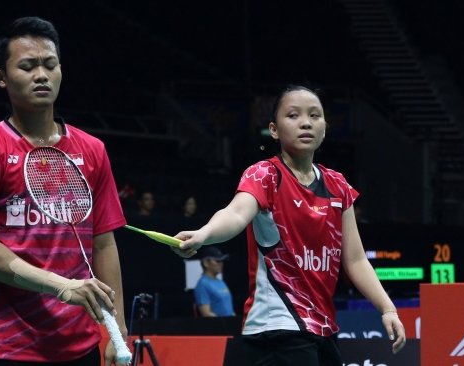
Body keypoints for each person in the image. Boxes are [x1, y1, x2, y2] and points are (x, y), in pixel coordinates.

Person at [173, 85, 406, 365]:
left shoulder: (338, 185)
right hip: (278, 326)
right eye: (293, 115)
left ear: (324, 127)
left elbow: (355, 259)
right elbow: (235, 214)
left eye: (315, 115)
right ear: (274, 129)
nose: (306, 122)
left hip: (323, 327)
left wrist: (387, 309)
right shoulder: (265, 175)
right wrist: (204, 235)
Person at [0, 17, 128, 365]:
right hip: (8, 347)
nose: (42, 75)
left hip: (80, 344)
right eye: (27, 66)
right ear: (1, 77)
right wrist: (61, 285)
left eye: (50, 64)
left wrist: (117, 330)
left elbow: (104, 242)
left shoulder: (92, 150)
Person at [193, 246, 235, 317]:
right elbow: (206, 314)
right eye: (217, 260)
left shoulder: (221, 282)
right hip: (220, 327)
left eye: (222, 261)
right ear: (206, 263)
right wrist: (225, 324)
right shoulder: (202, 285)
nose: (221, 263)